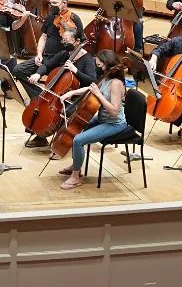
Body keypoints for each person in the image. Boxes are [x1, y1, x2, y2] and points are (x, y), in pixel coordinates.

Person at [55, 49, 128, 190]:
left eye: (99, 65)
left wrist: (98, 95)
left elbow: (114, 111)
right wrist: (71, 92)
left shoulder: (116, 84)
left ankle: (75, 177)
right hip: (102, 119)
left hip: (114, 124)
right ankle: (75, 166)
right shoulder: (106, 77)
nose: (97, 67)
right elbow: (90, 88)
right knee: (75, 130)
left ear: (107, 64)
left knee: (78, 140)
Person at [9, 0, 82, 99]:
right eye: (50, 3)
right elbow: (43, 37)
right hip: (46, 57)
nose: (52, 6)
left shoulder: (75, 19)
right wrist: (39, 54)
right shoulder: (50, 17)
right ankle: (39, 97)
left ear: (64, 3)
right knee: (18, 70)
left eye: (55, 3)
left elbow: (80, 42)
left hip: (62, 61)